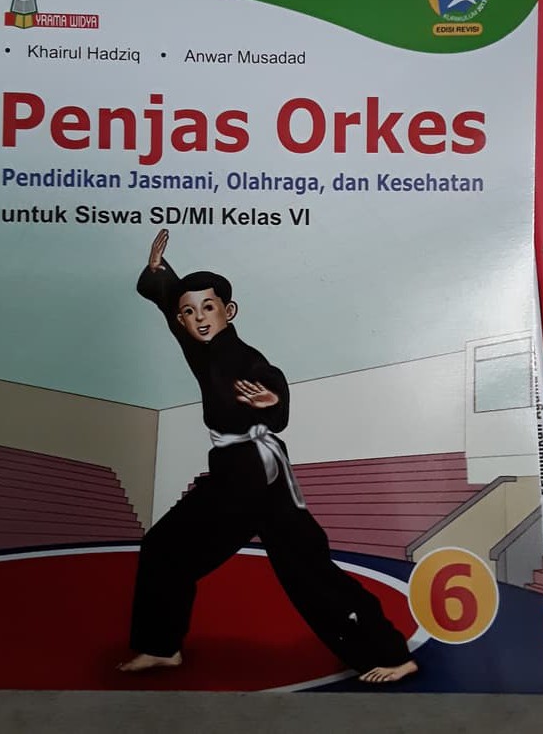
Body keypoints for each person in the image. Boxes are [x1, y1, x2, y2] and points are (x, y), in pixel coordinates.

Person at [118, 229, 418, 684]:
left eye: (208, 308)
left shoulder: (244, 356)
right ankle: (161, 647)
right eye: (189, 312)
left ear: (229, 311)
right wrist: (160, 275)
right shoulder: (199, 347)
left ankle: (391, 654)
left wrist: (271, 402)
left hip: (262, 477)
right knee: (164, 548)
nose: (198, 319)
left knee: (306, 569)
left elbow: (270, 380)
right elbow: (171, 305)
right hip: (229, 477)